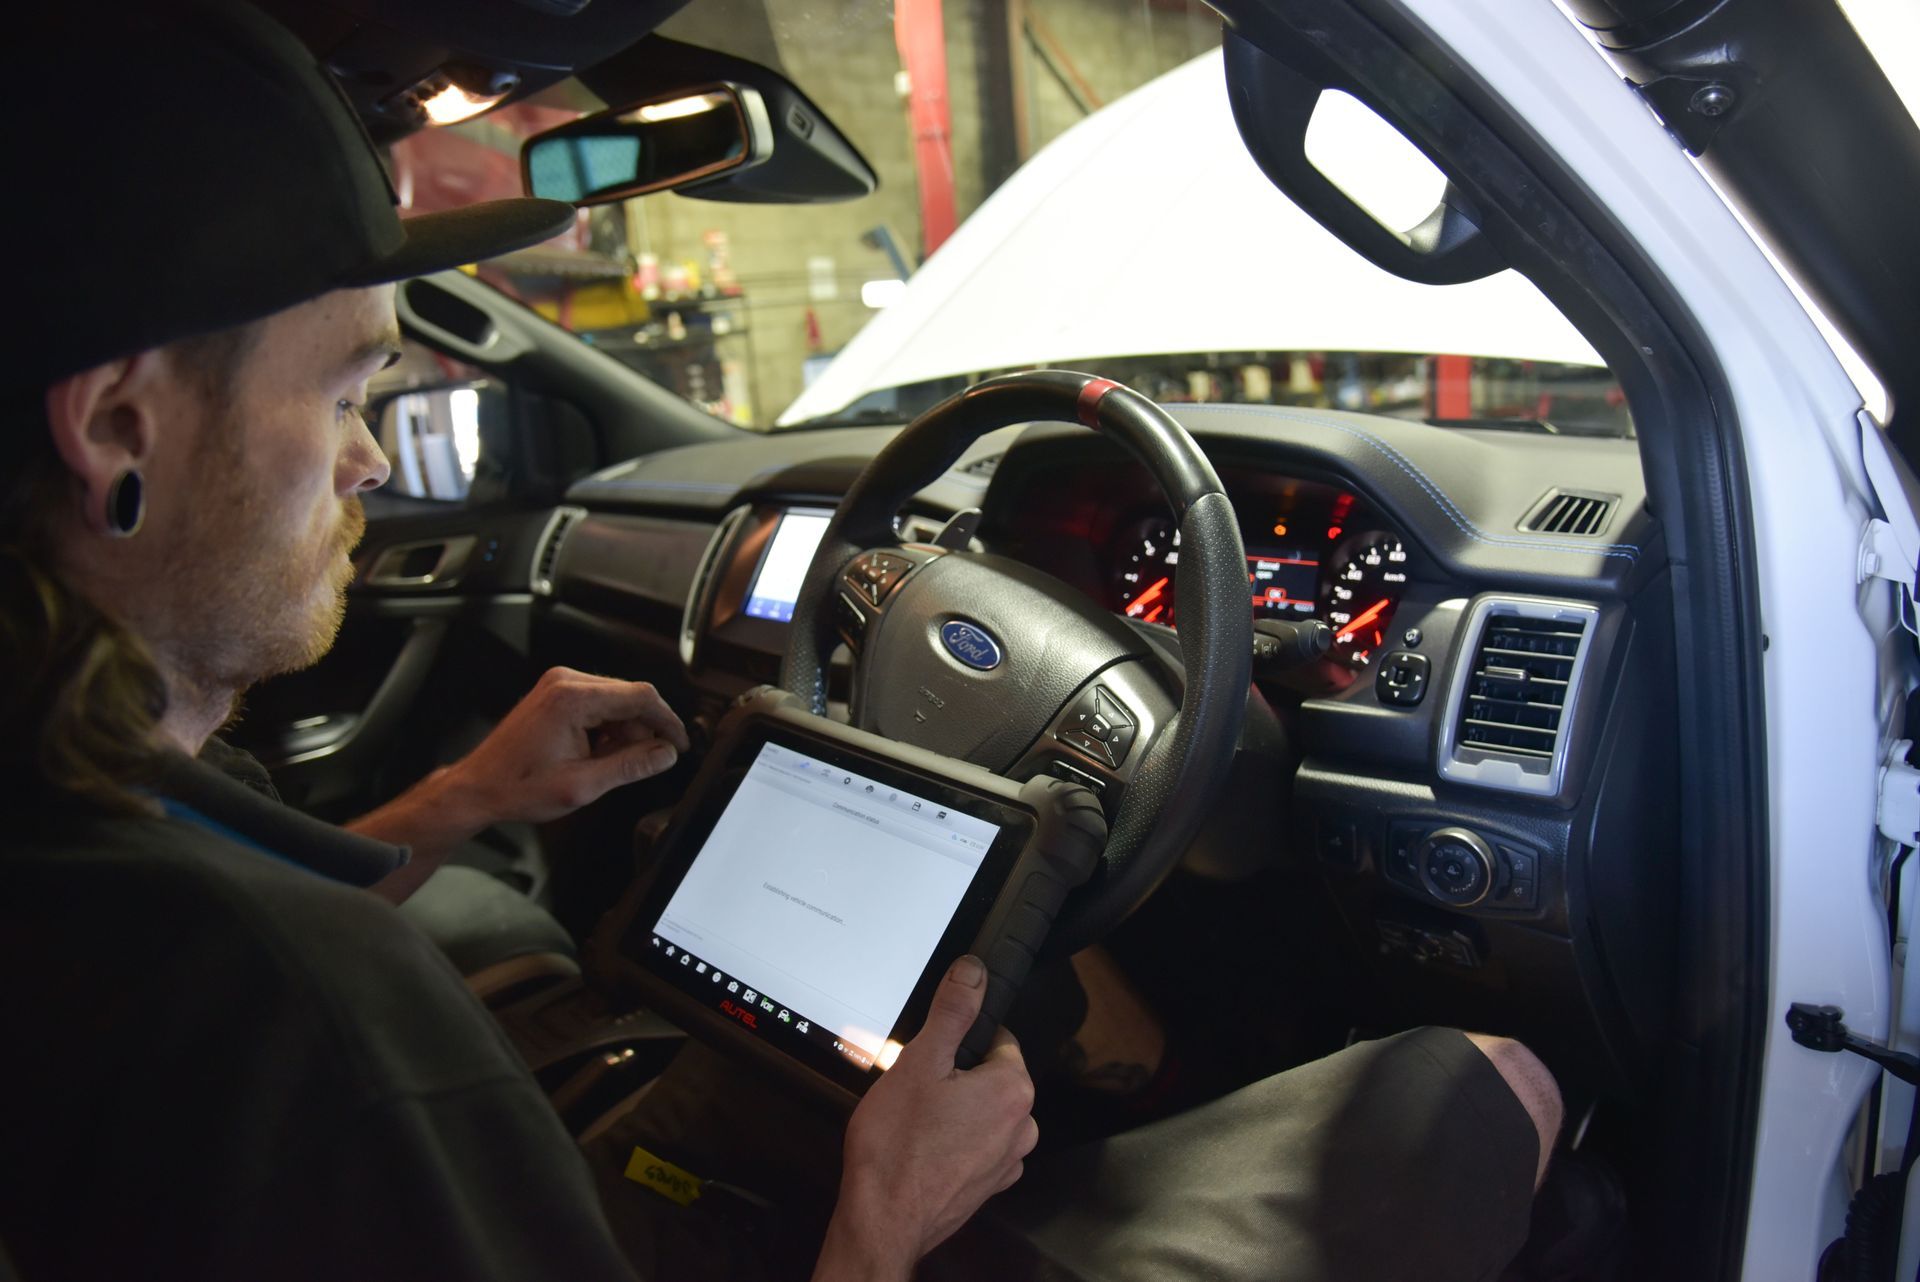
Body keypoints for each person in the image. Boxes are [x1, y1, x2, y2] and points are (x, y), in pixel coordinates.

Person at [0, 3, 1562, 1280]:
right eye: (345, 398)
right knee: (1473, 1085)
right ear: (119, 426)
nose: (364, 462)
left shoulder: (99, 866)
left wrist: (459, 804)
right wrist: (889, 1215)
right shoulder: (303, 1017)